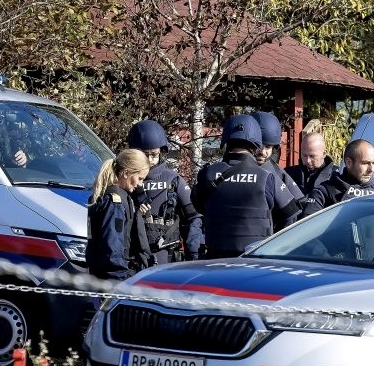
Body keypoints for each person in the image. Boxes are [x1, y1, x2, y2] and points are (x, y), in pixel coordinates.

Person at [192, 114, 300, 259]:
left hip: (215, 261)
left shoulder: (208, 174)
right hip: (255, 262)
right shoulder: (267, 177)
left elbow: (197, 208)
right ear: (256, 143)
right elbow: (291, 215)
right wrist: (275, 249)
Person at [126, 119, 203, 264]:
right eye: (145, 155)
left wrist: (193, 254)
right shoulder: (126, 180)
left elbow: (194, 217)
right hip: (132, 259)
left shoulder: (173, 180)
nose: (150, 160)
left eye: (154, 154)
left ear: (161, 152)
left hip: (166, 259)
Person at [87, 149, 150, 280]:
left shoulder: (120, 197)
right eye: (139, 178)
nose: (140, 184)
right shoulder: (114, 202)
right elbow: (112, 247)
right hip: (112, 279)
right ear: (126, 173)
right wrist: (120, 280)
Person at [300, 138, 374, 216]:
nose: (371, 169)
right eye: (365, 163)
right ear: (349, 163)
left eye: (373, 163)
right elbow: (308, 225)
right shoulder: (324, 192)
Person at [251, 111, 305, 209]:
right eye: (258, 145)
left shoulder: (277, 173)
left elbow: (299, 203)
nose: (262, 151)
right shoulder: (234, 168)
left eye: (268, 147)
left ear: (274, 148)